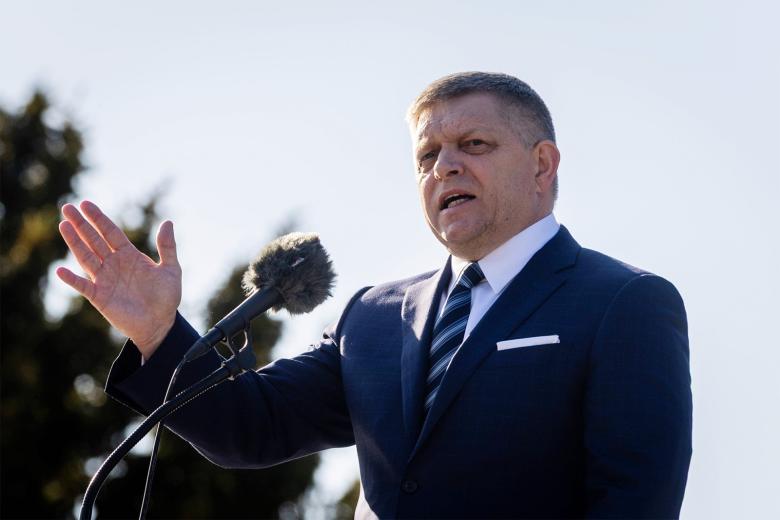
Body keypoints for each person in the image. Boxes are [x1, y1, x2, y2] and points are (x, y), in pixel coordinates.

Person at [58, 72, 692, 518]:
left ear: (542, 165)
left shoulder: (624, 303)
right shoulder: (374, 317)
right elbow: (249, 427)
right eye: (427, 155)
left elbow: (634, 502)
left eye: (474, 145)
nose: (444, 167)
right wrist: (157, 334)